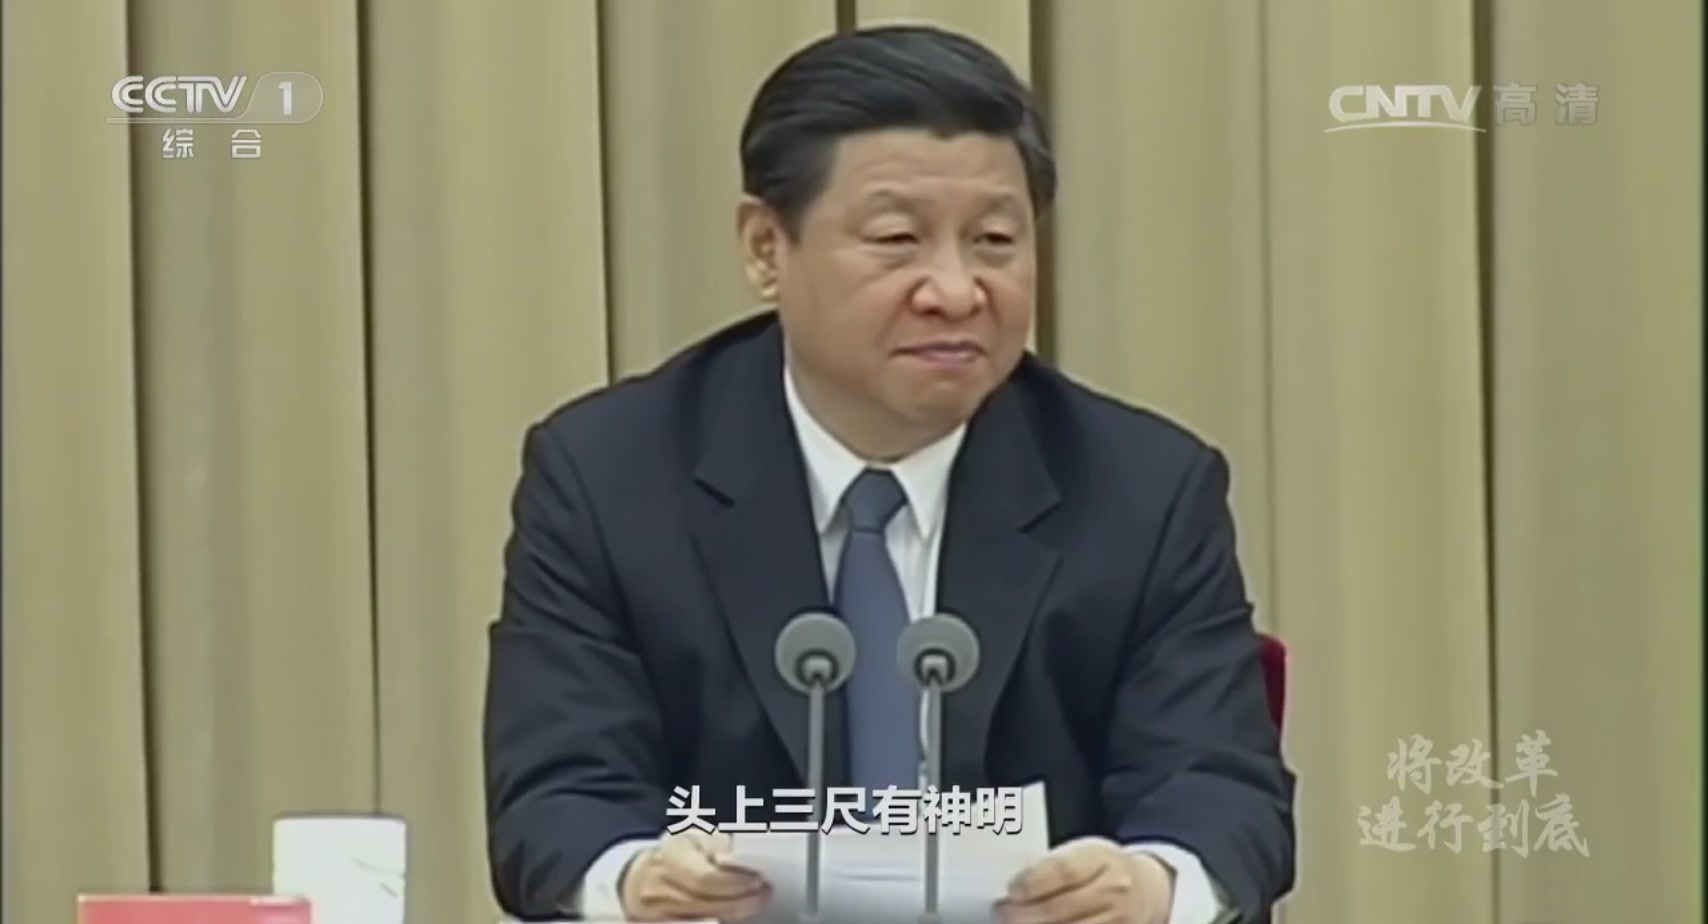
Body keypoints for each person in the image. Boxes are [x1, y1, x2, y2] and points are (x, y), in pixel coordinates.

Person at [483, 23, 1295, 924]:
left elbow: (1218, 788)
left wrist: (1153, 886)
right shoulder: (608, 477)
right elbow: (558, 795)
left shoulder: (1144, 489)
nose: (955, 290)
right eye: (898, 239)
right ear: (765, 247)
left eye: (994, 241)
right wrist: (635, 879)